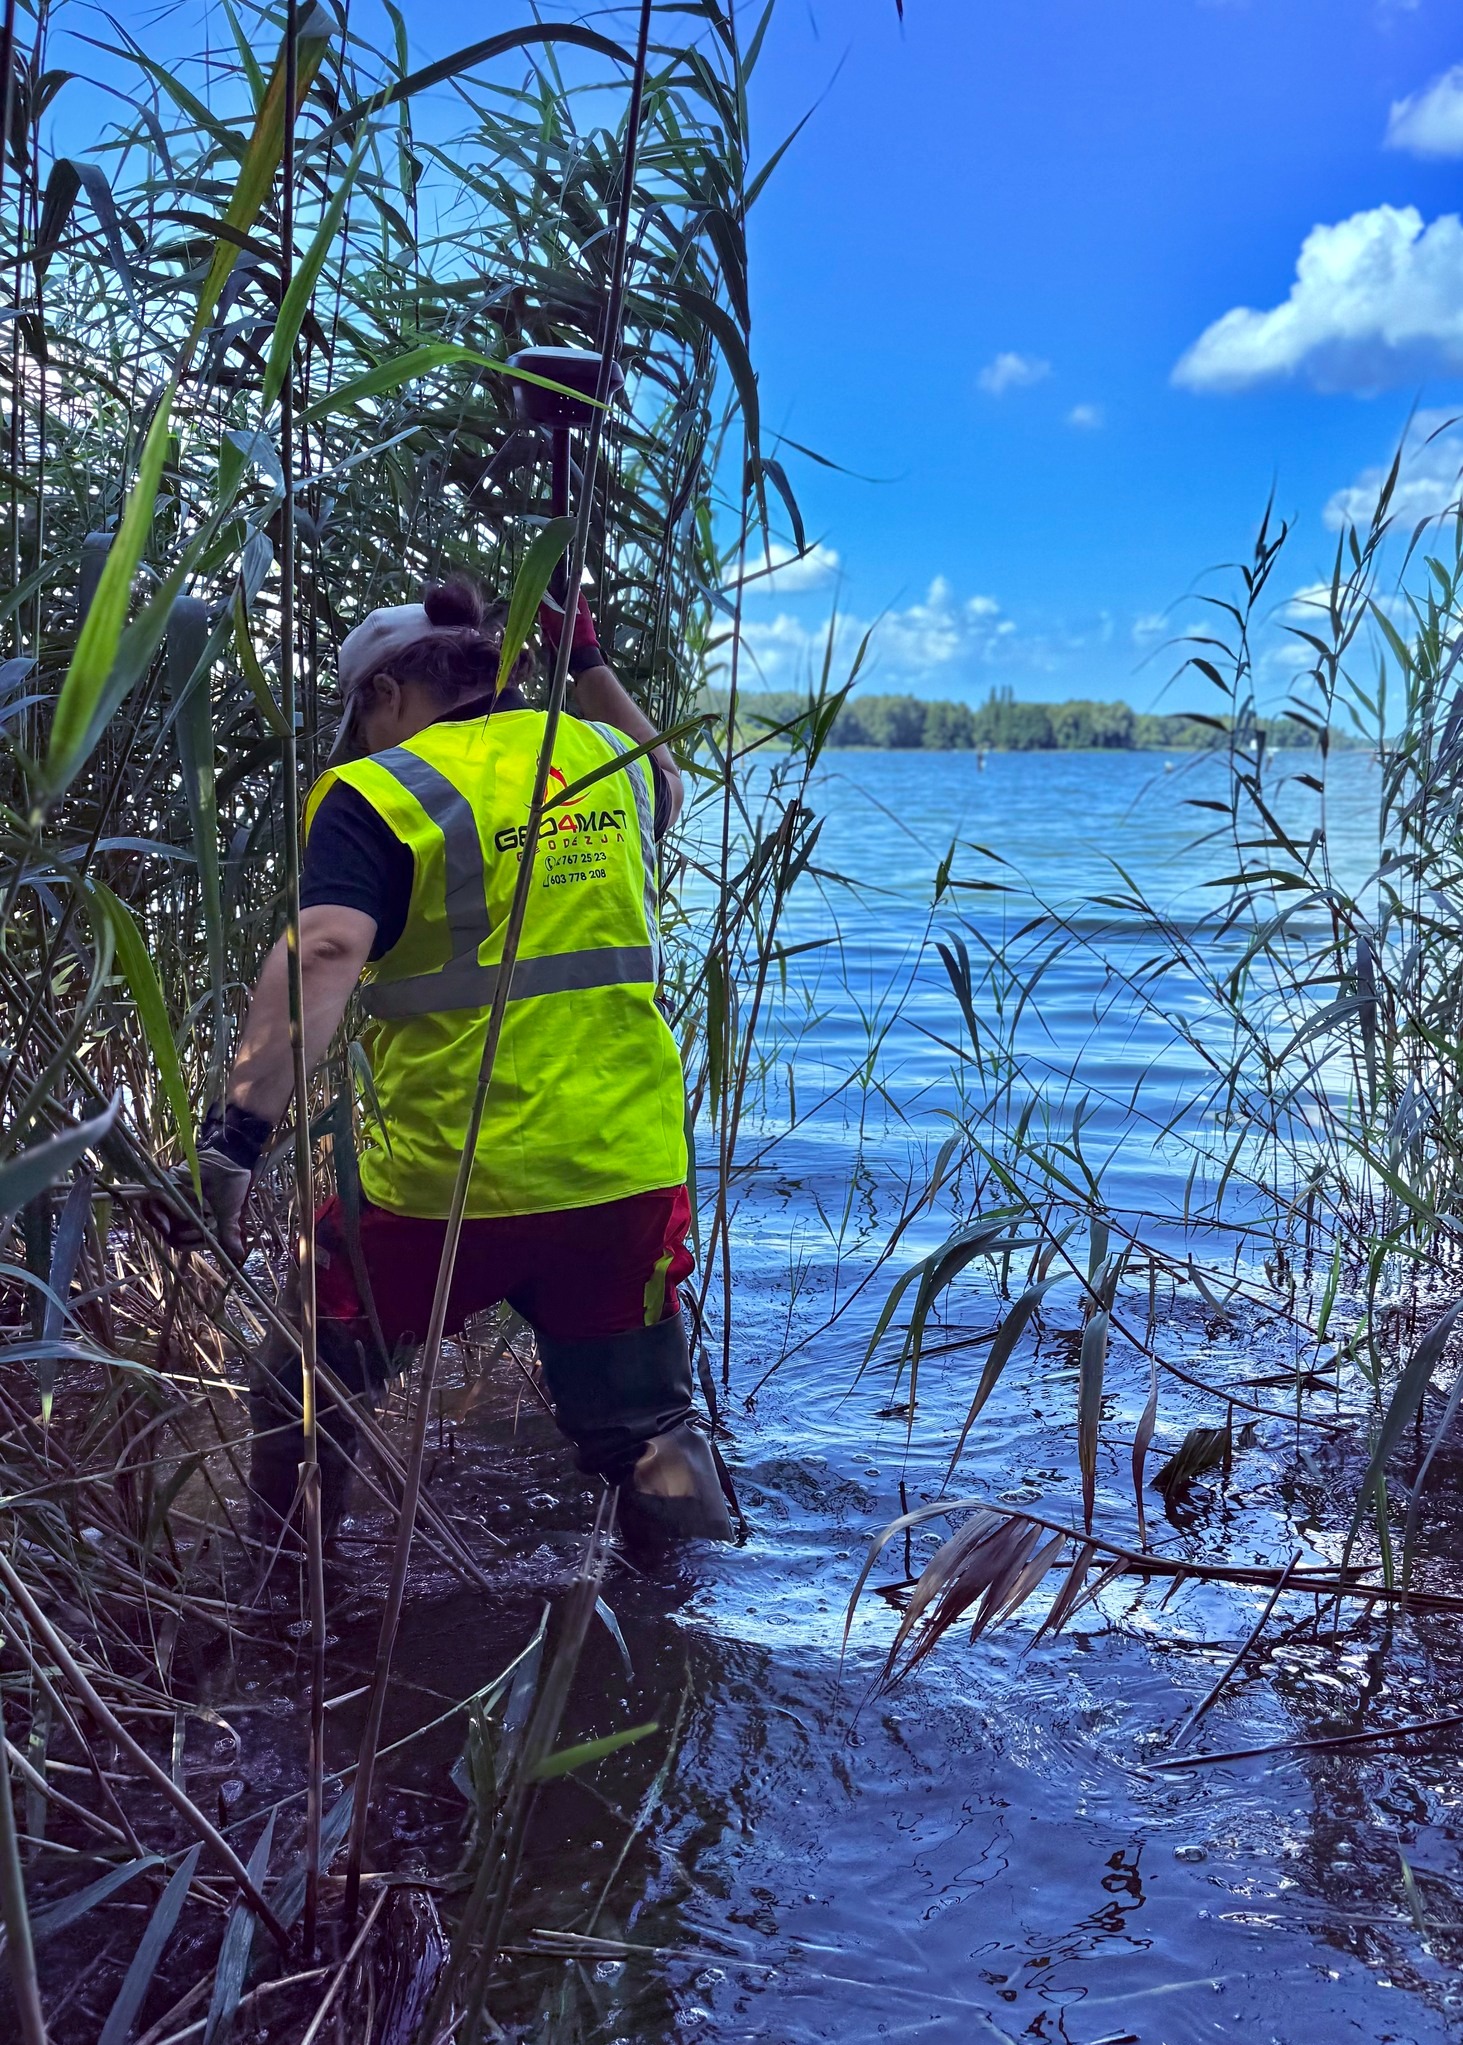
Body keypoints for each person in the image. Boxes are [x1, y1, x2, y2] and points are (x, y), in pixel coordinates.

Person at [149, 574, 732, 1547]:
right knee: (653, 1432)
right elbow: (668, 778)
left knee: (304, 1376)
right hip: (623, 1169)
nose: (365, 740)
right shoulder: (597, 756)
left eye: (362, 718)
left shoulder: (381, 790)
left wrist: (232, 1142)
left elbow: (327, 950)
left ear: (385, 693)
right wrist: (584, 660)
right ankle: (692, 1624)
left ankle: (286, 1600)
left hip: (450, 1183)